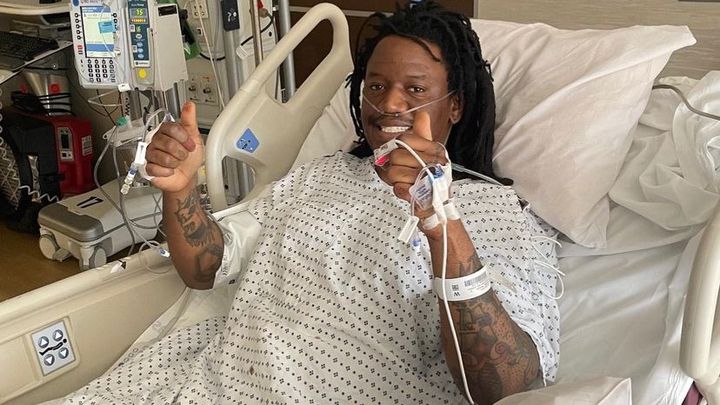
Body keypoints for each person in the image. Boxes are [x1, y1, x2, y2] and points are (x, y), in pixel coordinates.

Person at [62, 1, 559, 404]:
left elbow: (506, 387)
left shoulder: (496, 212)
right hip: (213, 385)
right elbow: (205, 269)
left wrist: (440, 219)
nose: (389, 104)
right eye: (377, 86)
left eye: (415, 89)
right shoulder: (319, 176)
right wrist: (181, 190)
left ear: (455, 105)